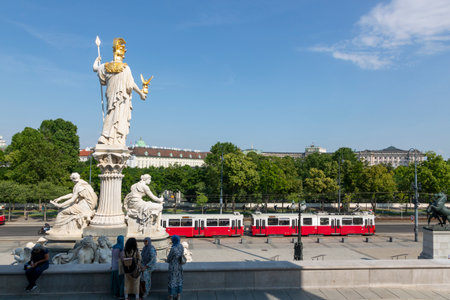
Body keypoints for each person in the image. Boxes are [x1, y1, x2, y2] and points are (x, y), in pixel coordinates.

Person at [93, 38, 147, 146]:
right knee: (119, 117)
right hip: (122, 98)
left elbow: (95, 68)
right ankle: (115, 138)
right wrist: (141, 93)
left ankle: (105, 137)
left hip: (111, 96)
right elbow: (131, 84)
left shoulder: (105, 66)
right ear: (122, 55)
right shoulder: (125, 68)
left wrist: (96, 60)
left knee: (111, 113)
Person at [167, 235, 184, 300]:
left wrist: (168, 260)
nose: (171, 240)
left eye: (172, 239)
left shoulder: (173, 248)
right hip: (179, 266)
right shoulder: (181, 246)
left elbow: (169, 259)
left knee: (172, 281)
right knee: (179, 280)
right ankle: (178, 296)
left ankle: (171, 296)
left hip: (173, 267)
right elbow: (181, 255)